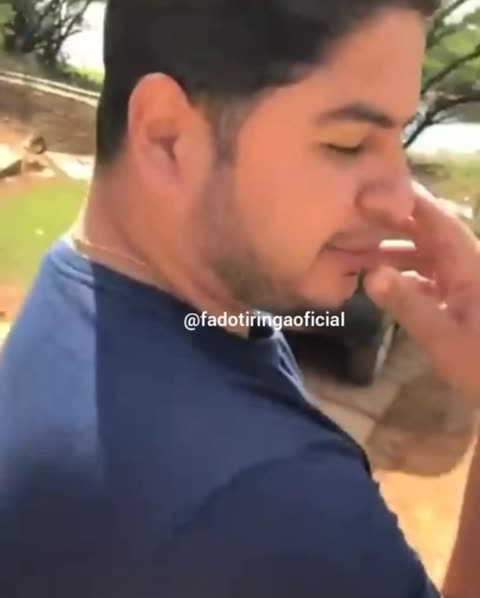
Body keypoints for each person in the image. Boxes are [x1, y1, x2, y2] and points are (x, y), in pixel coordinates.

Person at [0, 0, 478, 596]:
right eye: (349, 144)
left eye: (398, 137)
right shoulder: (273, 500)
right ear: (167, 138)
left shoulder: (77, 290)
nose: (401, 200)